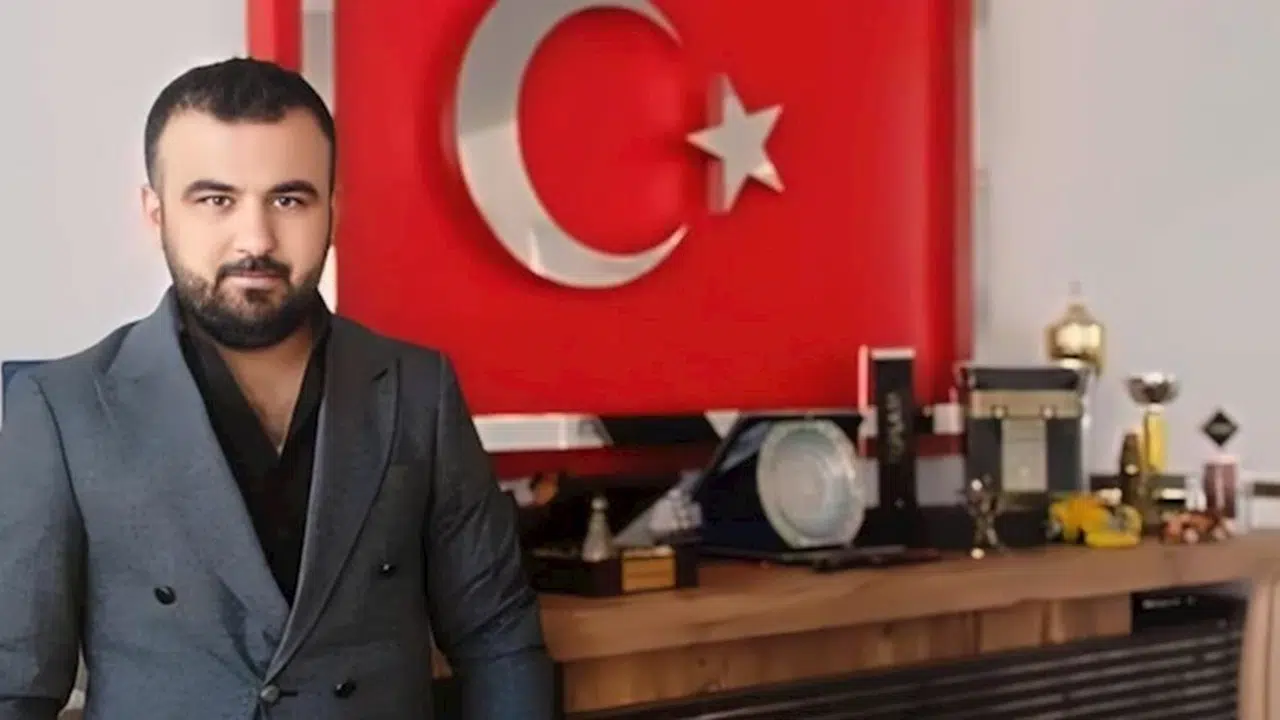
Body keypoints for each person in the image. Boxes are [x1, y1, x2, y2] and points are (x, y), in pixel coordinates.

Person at [0, 57, 553, 719]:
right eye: (216, 200)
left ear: (333, 211)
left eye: (289, 199)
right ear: (156, 214)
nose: (256, 239)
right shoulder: (60, 409)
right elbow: (15, 686)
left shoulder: (418, 390)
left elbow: (498, 636)